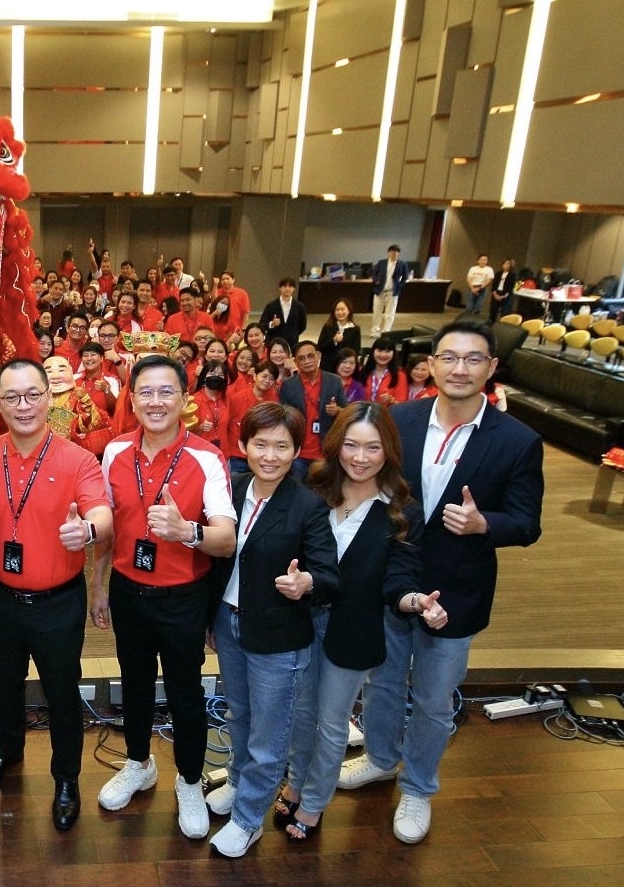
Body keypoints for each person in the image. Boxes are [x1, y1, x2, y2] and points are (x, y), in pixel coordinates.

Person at [337, 320, 544, 845]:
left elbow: (527, 522)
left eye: (474, 359)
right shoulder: (397, 420)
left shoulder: (518, 441)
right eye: (449, 357)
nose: (460, 368)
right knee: (381, 682)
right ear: (430, 363)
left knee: (431, 698)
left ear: (492, 368)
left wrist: (485, 525)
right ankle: (382, 758)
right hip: (390, 582)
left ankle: (419, 786)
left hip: (458, 591)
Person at [90, 354, 237, 840]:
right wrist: (99, 585)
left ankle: (190, 781)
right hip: (129, 592)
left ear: (184, 400)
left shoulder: (206, 457)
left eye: (166, 392)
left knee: (185, 694)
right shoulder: (113, 452)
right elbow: (107, 532)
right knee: (133, 685)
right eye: (146, 392)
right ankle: (139, 764)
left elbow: (226, 540)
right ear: (131, 399)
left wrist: (186, 530)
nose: (155, 401)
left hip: (183, 597)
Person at [0, 359, 114, 831]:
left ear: (50, 397)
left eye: (33, 395)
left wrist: (87, 529)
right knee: (2, 684)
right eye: (12, 397)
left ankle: (66, 778)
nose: (23, 406)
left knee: (62, 693)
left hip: (58, 602)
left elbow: (103, 515)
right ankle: (8, 752)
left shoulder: (77, 459)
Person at [278, 401, 433, 842]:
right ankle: (295, 779)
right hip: (302, 622)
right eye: (350, 445)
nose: (360, 457)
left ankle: (313, 803)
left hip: (354, 631)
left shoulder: (403, 510)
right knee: (302, 714)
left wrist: (413, 601)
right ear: (335, 445)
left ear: (389, 451)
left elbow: (399, 579)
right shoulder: (313, 487)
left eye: (372, 447)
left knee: (331, 722)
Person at [203, 402, 339, 858]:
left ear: (297, 450)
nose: (270, 454)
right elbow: (213, 560)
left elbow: (330, 575)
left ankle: (249, 819)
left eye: (282, 445)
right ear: (243, 445)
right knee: (239, 714)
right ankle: (241, 783)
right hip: (229, 620)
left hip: (278, 633)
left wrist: (308, 583)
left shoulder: (308, 506)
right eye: (260, 443)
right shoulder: (231, 489)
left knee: (270, 732)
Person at [280, 340, 348, 478]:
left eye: (310, 356)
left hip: (325, 451)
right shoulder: (288, 385)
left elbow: (347, 411)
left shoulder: (334, 381)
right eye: (301, 358)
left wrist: (338, 411)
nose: (307, 361)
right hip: (298, 452)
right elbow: (282, 416)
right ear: (296, 361)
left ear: (318, 355)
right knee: (298, 491)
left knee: (323, 493)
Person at [370, 245, 410, 337]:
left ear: (398, 254)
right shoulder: (382, 263)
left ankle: (386, 332)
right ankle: (375, 331)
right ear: (388, 253)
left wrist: (400, 286)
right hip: (380, 291)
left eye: (396, 252)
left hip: (393, 292)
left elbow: (405, 277)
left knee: (390, 314)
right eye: (392, 252)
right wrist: (376, 281)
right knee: (377, 312)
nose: (394, 254)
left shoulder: (402, 264)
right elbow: (374, 273)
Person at [258, 277, 306, 350]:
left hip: (291, 343)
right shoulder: (271, 306)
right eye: (284, 286)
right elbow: (261, 324)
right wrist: (272, 324)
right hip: (273, 342)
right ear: (280, 288)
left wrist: (293, 334)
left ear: (294, 289)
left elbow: (302, 325)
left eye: (290, 286)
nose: (287, 289)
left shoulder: (300, 307)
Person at [316, 299, 361, 373]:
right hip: (328, 367)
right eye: (337, 310)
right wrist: (334, 340)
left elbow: (356, 350)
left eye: (343, 309)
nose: (340, 312)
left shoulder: (355, 329)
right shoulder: (328, 326)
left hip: (345, 368)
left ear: (349, 311)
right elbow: (320, 347)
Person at [359, 338, 405, 406]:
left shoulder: (400, 376)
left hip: (387, 415)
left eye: (388, 351)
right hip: (362, 414)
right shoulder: (362, 371)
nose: (383, 355)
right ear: (373, 352)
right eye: (380, 350)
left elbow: (402, 406)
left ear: (393, 353)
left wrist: (391, 400)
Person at [490, 258, 517, 322]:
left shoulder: (513, 275)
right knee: (493, 311)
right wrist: (495, 294)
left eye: (508, 264)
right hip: (496, 293)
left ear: (511, 265)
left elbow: (511, 287)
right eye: (504, 264)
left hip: (506, 295)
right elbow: (494, 285)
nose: (505, 265)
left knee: (505, 313)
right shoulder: (498, 273)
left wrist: (503, 296)